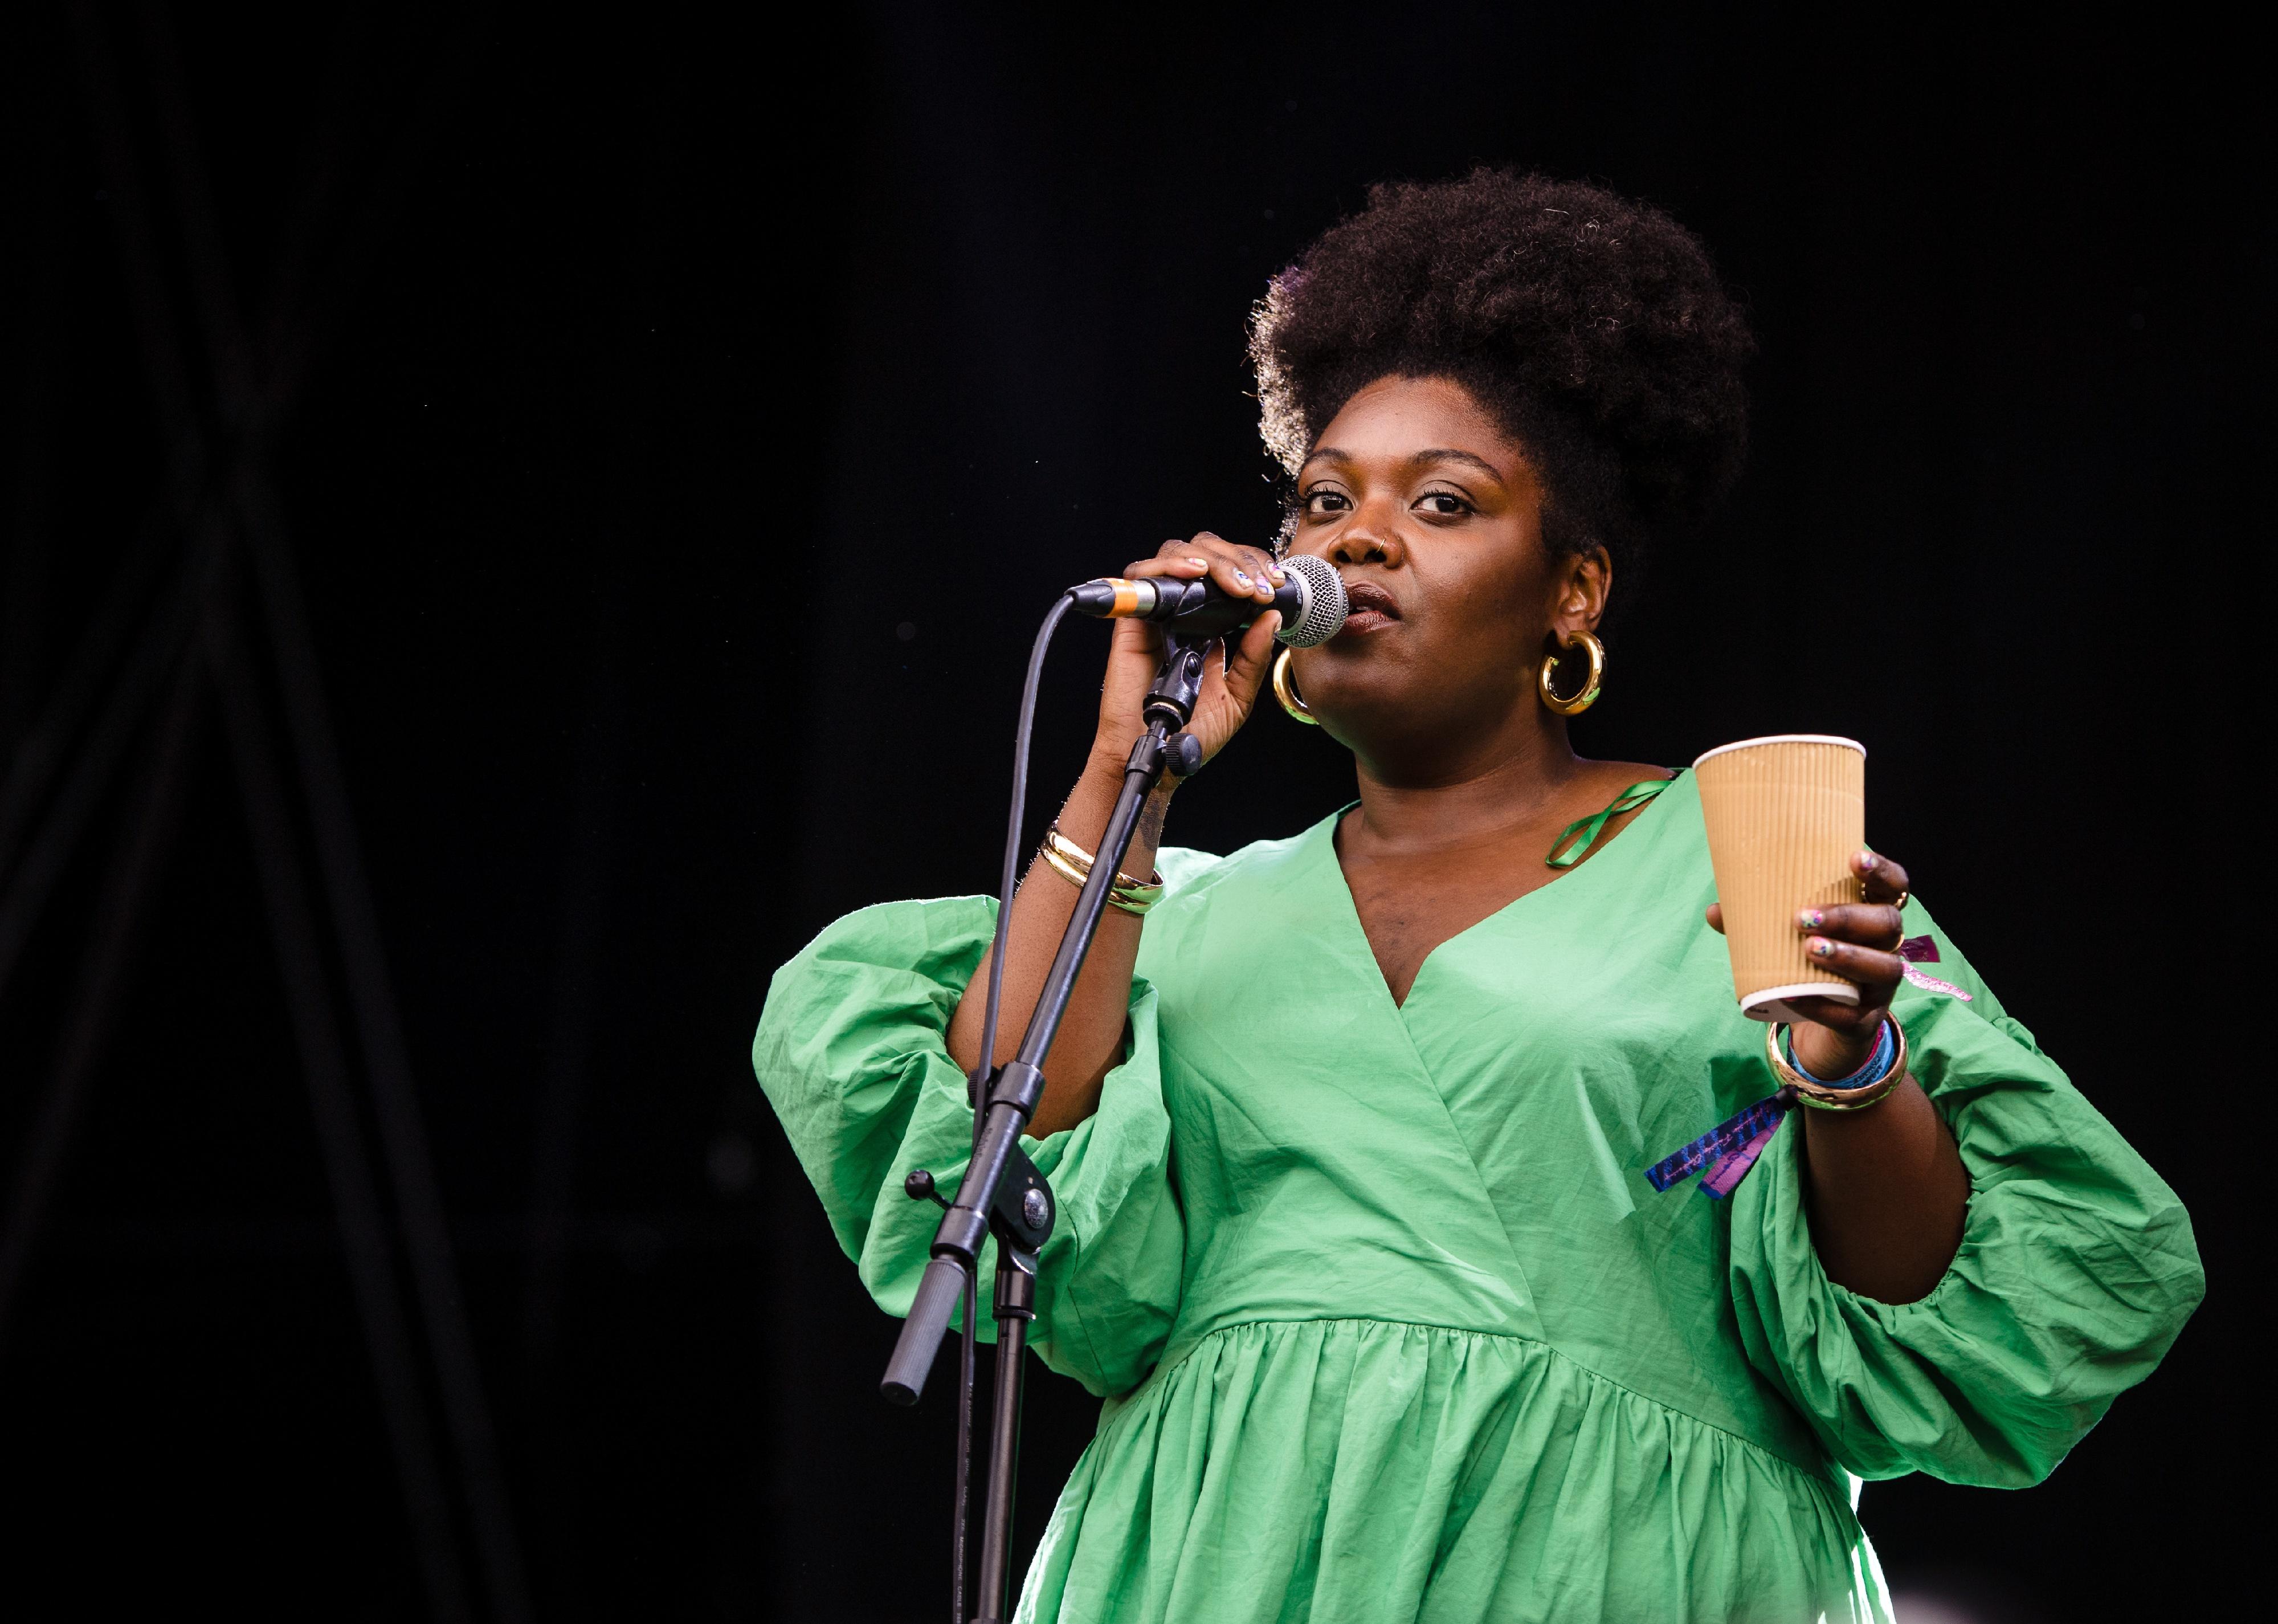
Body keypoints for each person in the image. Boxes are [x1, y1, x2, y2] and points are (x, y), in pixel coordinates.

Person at [753, 170, 2201, 1622]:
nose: (1356, 540)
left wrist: (1848, 1071)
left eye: (1441, 503)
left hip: (1618, 1561)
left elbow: (1931, 1327)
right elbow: (1011, 1175)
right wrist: (1129, 767)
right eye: (1325, 501)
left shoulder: (1732, 847)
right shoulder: (1183, 917)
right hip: (1217, 1558)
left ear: (1571, 592)